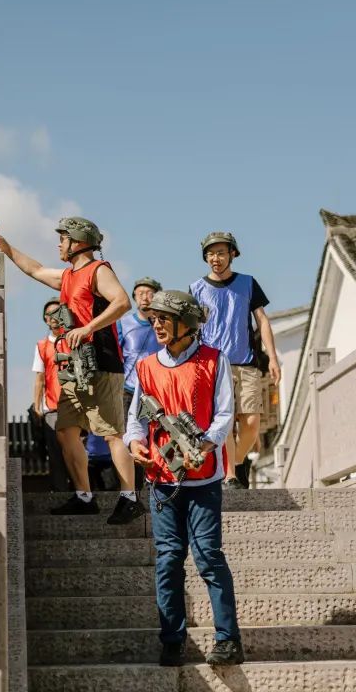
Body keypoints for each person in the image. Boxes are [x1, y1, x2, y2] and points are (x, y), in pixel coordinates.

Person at [0, 217, 145, 525]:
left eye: (63, 239)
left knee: (111, 434)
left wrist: (88, 327)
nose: (59, 244)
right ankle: (84, 497)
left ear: (78, 242)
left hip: (101, 363)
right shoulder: (67, 276)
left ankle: (130, 498)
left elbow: (122, 302)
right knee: (65, 432)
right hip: (74, 369)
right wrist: (6, 248)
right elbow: (35, 269)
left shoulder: (98, 271)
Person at [124, 290, 243, 667]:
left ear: (186, 324)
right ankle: (172, 640)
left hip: (204, 480)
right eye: (154, 318)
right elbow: (135, 419)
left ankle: (228, 640)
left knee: (209, 557)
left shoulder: (214, 360)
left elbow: (225, 412)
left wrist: (207, 444)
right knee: (168, 559)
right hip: (161, 480)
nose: (156, 324)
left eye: (164, 319)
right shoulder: (145, 367)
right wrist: (135, 443)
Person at [189, 232, 281, 490]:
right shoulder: (196, 288)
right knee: (226, 424)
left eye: (220, 252)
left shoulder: (248, 283)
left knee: (252, 424)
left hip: (247, 363)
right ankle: (230, 476)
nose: (214, 258)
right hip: (213, 366)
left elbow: (262, 320)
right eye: (210, 253)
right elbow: (191, 330)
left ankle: (236, 462)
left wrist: (272, 357)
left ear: (232, 254)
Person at [32, 297, 73, 491]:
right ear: (45, 320)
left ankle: (81, 491)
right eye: (49, 314)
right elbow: (39, 378)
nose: (53, 317)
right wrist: (37, 406)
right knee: (56, 454)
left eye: (57, 312)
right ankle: (60, 492)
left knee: (76, 452)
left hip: (76, 405)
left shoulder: (74, 339)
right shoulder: (41, 346)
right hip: (52, 406)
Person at [119, 277, 165, 414]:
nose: (144, 297)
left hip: (158, 390)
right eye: (140, 293)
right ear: (134, 297)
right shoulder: (123, 324)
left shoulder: (166, 325)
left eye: (149, 293)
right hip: (129, 390)